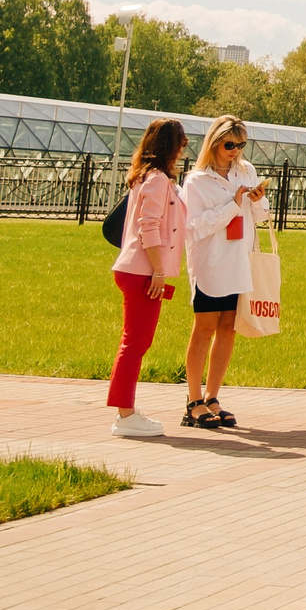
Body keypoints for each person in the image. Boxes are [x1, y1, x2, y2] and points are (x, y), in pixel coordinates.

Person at [178, 115, 268, 430]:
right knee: (204, 328)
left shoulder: (246, 171)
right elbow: (194, 227)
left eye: (241, 145)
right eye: (230, 144)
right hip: (210, 262)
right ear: (215, 143)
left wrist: (256, 201)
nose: (235, 151)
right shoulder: (196, 181)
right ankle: (193, 402)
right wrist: (233, 203)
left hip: (238, 260)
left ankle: (212, 396)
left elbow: (259, 216)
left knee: (229, 328)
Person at [107, 118, 188, 438]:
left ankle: (125, 411)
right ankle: (125, 414)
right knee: (135, 342)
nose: (183, 150)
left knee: (136, 341)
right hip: (142, 269)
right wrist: (157, 271)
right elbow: (149, 227)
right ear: (170, 145)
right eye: (181, 144)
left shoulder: (150, 178)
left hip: (137, 268)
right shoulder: (156, 181)